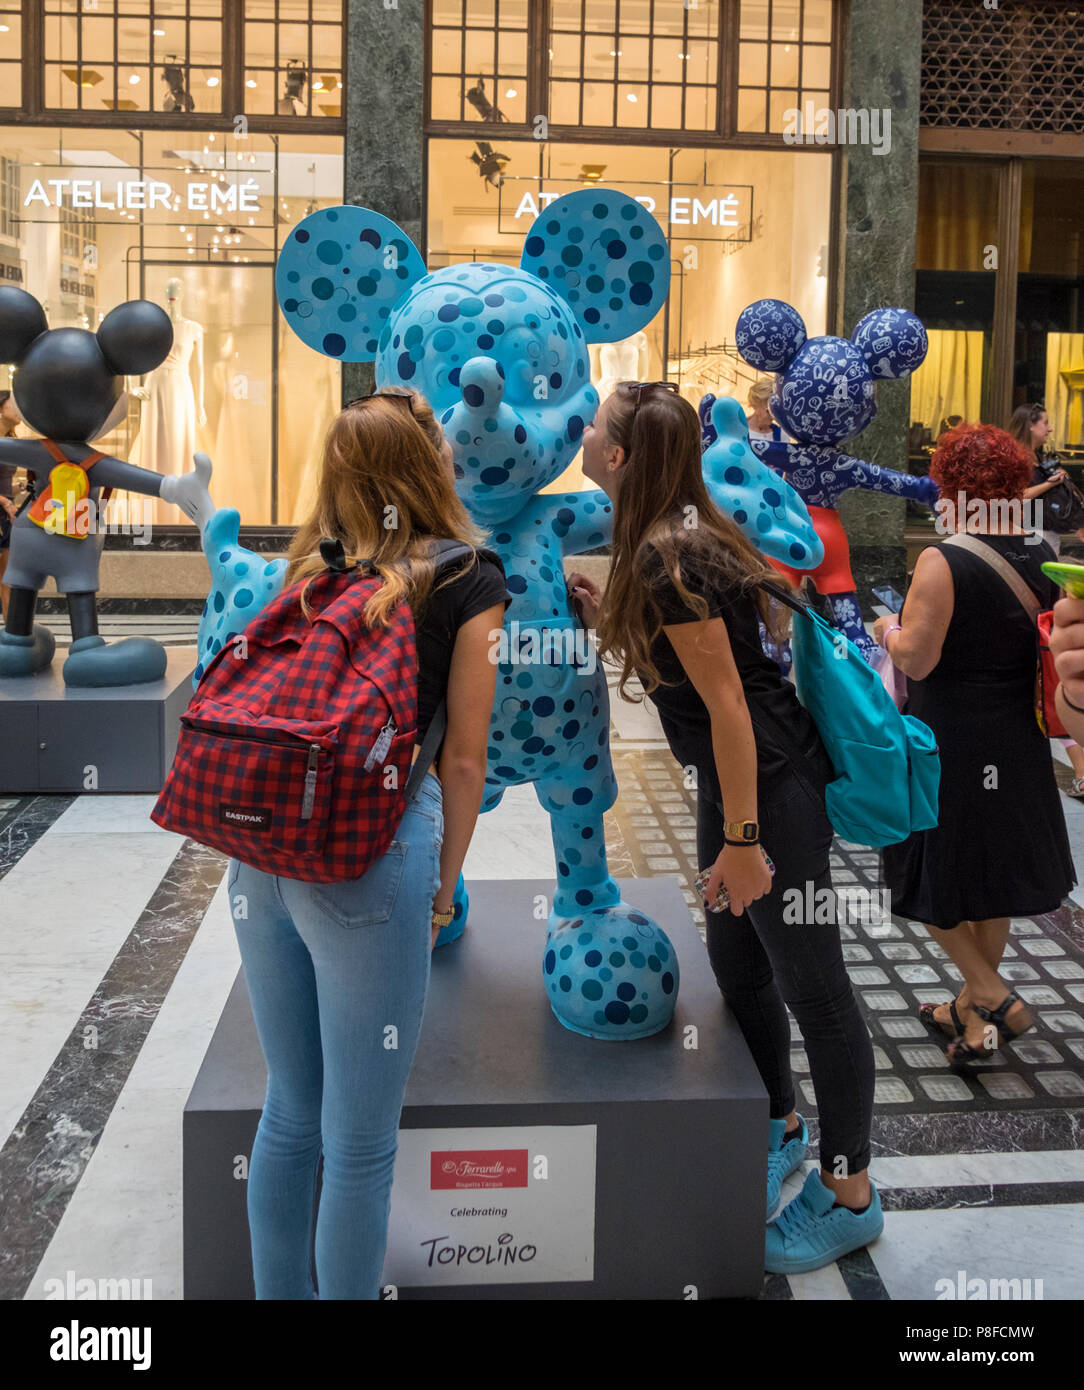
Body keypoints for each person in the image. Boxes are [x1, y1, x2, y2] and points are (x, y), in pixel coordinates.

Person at [568, 380, 881, 1275]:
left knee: (815, 990)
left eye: (595, 430)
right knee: (738, 961)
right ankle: (779, 1121)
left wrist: (745, 845)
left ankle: (851, 1191)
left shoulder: (673, 555)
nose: (584, 435)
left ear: (620, 457)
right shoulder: (662, 543)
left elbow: (734, 709)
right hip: (736, 782)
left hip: (770, 789)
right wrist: (605, 617)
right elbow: (696, 674)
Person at [229, 389, 509, 1299]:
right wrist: (443, 887)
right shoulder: (468, 574)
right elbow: (463, 761)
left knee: (289, 1111)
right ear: (434, 463)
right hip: (371, 854)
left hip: (261, 856)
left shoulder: (307, 567)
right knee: (359, 1143)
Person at [874, 423, 1074, 1066]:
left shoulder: (944, 559)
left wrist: (885, 628)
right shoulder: (1041, 551)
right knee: (989, 878)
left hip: (950, 739)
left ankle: (992, 993)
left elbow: (920, 659)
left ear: (951, 487)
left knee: (929, 869)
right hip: (1018, 738)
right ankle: (973, 1019)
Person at [1009, 403, 1084, 796]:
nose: (1050, 427)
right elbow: (1020, 497)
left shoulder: (1034, 457)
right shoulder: (1019, 459)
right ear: (1031, 426)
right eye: (1045, 422)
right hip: (1031, 541)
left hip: (1044, 540)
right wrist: (1051, 484)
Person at [0, 390, 21, 621]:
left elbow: (5, 487)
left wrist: (18, 489)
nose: (18, 409)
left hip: (7, 516)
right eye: (13, 405)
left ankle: (10, 634)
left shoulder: (12, 442)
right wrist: (5, 501)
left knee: (8, 577)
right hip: (4, 510)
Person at [745, 378, 783, 443]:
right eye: (768, 411)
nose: (774, 416)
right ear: (755, 405)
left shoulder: (781, 434)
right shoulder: (738, 430)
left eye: (776, 411)